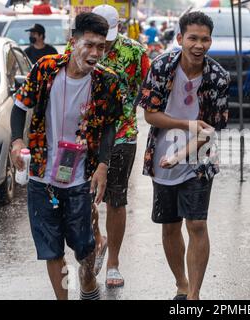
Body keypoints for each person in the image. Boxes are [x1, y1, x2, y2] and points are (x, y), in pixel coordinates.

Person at [10, 12, 122, 300]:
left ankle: (88, 285)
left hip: (80, 177)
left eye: (102, 47)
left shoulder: (107, 82)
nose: (96, 53)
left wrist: (102, 165)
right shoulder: (45, 69)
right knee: (52, 248)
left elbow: (110, 124)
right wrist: (17, 140)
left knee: (84, 247)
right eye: (90, 44)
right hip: (41, 175)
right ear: (73, 42)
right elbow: (20, 106)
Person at [137, 11, 230, 300]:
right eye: (193, 38)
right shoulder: (162, 67)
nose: (199, 45)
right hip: (161, 155)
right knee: (170, 226)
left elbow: (211, 128)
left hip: (199, 156)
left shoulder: (218, 76)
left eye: (205, 39)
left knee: (197, 223)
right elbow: (150, 115)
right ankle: (182, 283)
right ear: (180, 39)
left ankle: (194, 296)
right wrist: (185, 124)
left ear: (210, 41)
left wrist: (184, 152)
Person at [88, 4, 150, 289]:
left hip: (123, 134)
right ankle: (97, 239)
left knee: (116, 197)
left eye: (108, 36)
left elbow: (146, 86)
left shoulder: (135, 52)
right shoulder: (77, 47)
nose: (104, 42)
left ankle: (113, 262)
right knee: (84, 197)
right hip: (86, 135)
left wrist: (129, 108)